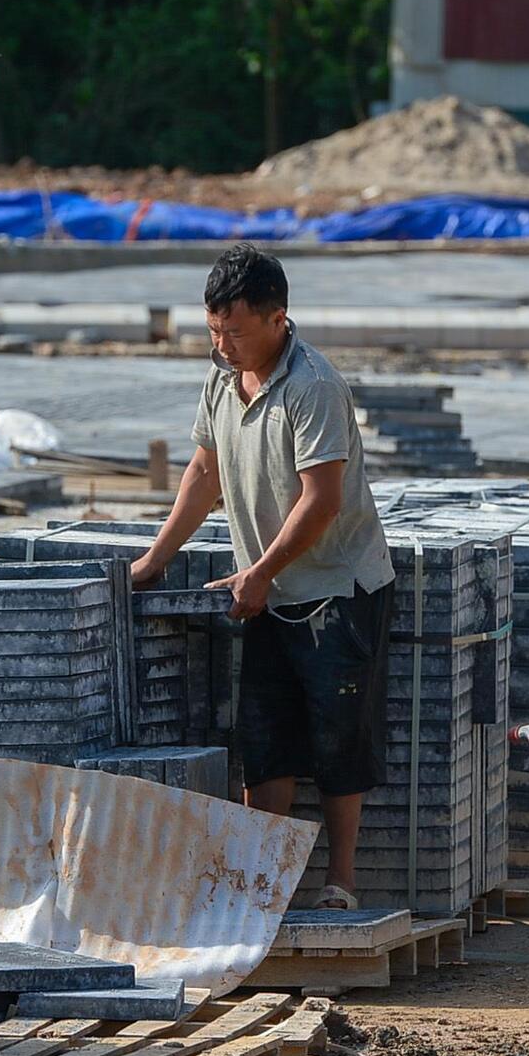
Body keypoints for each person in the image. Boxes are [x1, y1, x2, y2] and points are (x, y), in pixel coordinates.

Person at [130, 242, 395, 911]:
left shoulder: (312, 386)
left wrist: (260, 572)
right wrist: (151, 562)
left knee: (339, 735)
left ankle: (341, 882)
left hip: (337, 587)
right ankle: (263, 886)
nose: (224, 345)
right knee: (265, 736)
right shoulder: (222, 378)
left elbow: (322, 499)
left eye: (237, 332)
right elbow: (202, 473)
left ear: (278, 318)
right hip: (268, 590)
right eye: (216, 331)